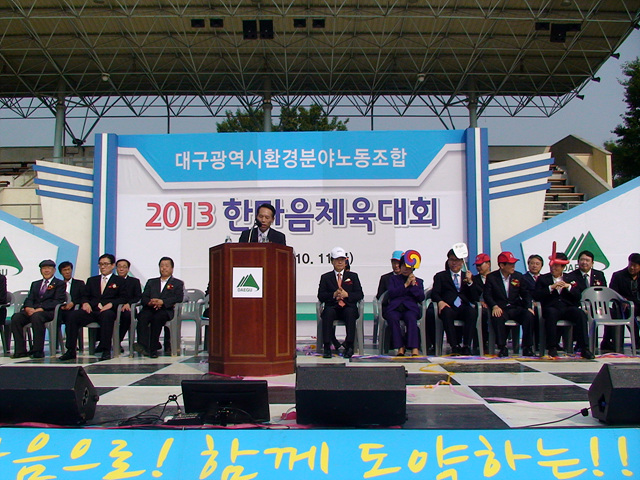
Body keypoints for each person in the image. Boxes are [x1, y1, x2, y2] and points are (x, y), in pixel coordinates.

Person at [59, 253, 126, 361]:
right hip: (92, 310)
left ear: (113, 265)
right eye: (100, 264)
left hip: (108, 310)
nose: (103, 267)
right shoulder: (92, 280)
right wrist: (85, 303)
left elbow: (123, 297)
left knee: (107, 316)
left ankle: (105, 350)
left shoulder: (120, 281)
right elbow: (84, 295)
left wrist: (111, 304)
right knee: (73, 316)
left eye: (106, 264)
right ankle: (71, 350)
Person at [533, 252, 594, 359]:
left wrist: (569, 287)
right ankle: (552, 347)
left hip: (567, 308)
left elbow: (577, 296)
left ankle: (584, 348)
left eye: (556, 266)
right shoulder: (543, 279)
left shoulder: (570, 278)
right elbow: (536, 295)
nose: (553, 268)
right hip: (551, 307)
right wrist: (551, 288)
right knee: (551, 314)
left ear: (563, 267)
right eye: (552, 265)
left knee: (580, 314)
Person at [11, 259, 66, 358]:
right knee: (16, 317)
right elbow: (29, 298)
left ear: (54, 270)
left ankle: (37, 350)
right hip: (33, 311)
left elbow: (58, 301)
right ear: (41, 271)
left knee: (37, 317)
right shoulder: (35, 284)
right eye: (44, 268)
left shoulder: (59, 283)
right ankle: (20, 350)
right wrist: (28, 307)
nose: (46, 270)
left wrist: (42, 308)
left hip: (49, 312)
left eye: (49, 268)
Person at [483, 252, 535, 357]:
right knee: (497, 317)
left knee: (529, 316)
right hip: (501, 308)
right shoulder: (492, 277)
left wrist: (528, 307)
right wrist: (494, 306)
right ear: (502, 265)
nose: (513, 266)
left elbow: (525, 294)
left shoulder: (518, 276)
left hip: (515, 307)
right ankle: (502, 347)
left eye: (514, 263)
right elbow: (487, 295)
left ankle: (527, 347)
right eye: (510, 264)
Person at [133, 257, 185, 358]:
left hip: (166, 310)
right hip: (150, 308)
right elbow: (144, 297)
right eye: (162, 266)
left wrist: (162, 302)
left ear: (172, 268)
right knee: (142, 316)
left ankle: (153, 349)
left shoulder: (177, 283)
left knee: (157, 318)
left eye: (166, 266)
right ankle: (143, 345)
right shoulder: (151, 282)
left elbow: (178, 298)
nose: (164, 268)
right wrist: (150, 302)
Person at [317, 246, 363, 359]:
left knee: (350, 313)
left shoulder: (353, 276)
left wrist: (347, 295)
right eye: (337, 259)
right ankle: (327, 347)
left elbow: (359, 294)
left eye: (342, 259)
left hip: (348, 306)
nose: (340, 262)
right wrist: (333, 295)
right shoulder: (325, 277)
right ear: (332, 261)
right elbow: (321, 295)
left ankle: (350, 346)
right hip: (333, 306)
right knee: (328, 313)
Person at [430, 249, 476, 355]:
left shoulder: (467, 276)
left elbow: (474, 297)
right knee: (446, 312)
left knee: (472, 312)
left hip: (463, 306)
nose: (454, 263)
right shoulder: (440, 276)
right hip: (448, 306)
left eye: (457, 260)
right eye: (451, 260)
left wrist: (470, 282)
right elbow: (434, 294)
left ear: (462, 262)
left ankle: (466, 345)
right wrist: (440, 302)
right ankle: (454, 345)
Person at [383, 250, 425, 356]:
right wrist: (405, 285)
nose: (405, 269)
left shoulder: (418, 281)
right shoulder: (393, 279)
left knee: (411, 318)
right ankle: (400, 347)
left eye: (408, 267)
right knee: (393, 318)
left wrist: (414, 285)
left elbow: (421, 297)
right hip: (395, 307)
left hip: (410, 308)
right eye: (403, 266)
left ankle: (414, 348)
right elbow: (392, 293)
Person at [609, 252, 640, 349]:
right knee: (629, 311)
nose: (632, 268)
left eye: (635, 266)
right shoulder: (618, 276)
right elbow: (612, 293)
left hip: (638, 304)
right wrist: (622, 299)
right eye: (631, 265)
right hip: (624, 306)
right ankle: (636, 342)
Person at [114, 258, 142, 347]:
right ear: (116, 268)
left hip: (129, 308)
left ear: (128, 269)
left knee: (127, 315)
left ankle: (117, 341)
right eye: (119, 267)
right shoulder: (112, 280)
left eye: (124, 267)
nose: (121, 269)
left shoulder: (134, 281)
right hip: (114, 307)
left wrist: (129, 304)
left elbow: (138, 296)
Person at [469, 253, 491, 353]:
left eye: (480, 265)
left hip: (494, 305)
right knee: (481, 313)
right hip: (481, 307)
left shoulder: (495, 277)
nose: (478, 267)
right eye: (477, 265)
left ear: (488, 264)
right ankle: (481, 342)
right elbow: (472, 296)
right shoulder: (474, 279)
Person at [57, 261, 86, 327]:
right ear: (61, 272)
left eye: (69, 269)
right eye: (65, 270)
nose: (67, 272)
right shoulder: (58, 285)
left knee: (71, 316)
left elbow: (83, 297)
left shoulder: (79, 283)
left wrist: (73, 303)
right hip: (60, 309)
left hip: (74, 309)